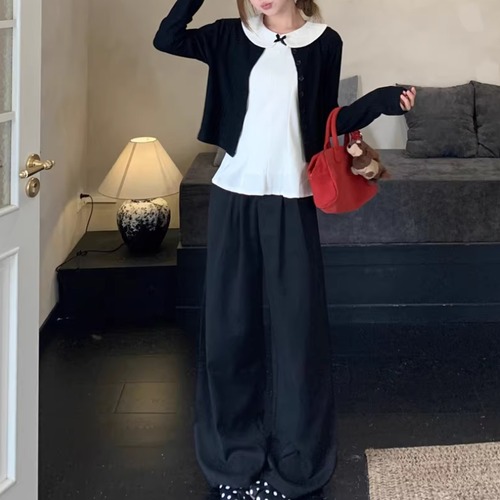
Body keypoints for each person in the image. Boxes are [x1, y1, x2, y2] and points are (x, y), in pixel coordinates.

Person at [153, 1, 416, 499]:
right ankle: (232, 456)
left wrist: (380, 101)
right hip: (234, 194)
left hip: (292, 198)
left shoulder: (325, 42)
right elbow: (166, 38)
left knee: (299, 332)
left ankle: (299, 460)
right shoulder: (230, 34)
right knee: (230, 328)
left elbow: (326, 119)